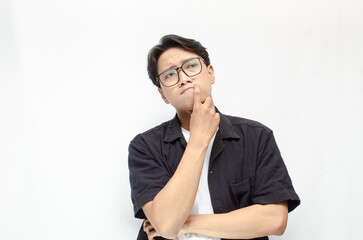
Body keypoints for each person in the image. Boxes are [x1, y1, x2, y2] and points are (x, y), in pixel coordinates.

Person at [128, 34, 300, 240]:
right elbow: (166, 222)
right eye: (170, 75)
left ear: (210, 73)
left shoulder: (256, 137)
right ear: (163, 94)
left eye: (191, 66)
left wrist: (185, 224)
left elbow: (275, 220)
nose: (183, 78)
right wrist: (199, 139)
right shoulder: (145, 146)